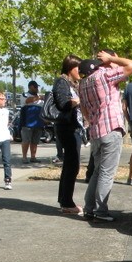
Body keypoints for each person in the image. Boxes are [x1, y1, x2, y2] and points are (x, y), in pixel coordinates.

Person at [79, 50, 132, 222]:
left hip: (96, 131)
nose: (117, 64)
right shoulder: (105, 75)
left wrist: (93, 119)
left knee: (97, 172)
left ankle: (89, 209)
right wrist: (111, 59)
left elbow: (84, 109)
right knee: (106, 173)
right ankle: (101, 211)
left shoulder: (83, 83)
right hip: (111, 129)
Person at [52, 54, 84, 214]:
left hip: (72, 127)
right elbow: (63, 103)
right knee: (72, 165)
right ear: (71, 68)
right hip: (67, 127)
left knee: (71, 165)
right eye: (79, 68)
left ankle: (65, 201)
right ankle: (67, 202)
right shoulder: (62, 81)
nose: (81, 71)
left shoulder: (72, 83)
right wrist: (79, 100)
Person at [20, 82, 44, 163]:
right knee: (26, 140)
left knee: (35, 141)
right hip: (27, 123)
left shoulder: (40, 98)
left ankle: (33, 157)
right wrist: (39, 97)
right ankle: (24, 157)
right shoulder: (25, 94)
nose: (37, 88)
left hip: (38, 123)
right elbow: (27, 101)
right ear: (30, 87)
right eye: (35, 87)